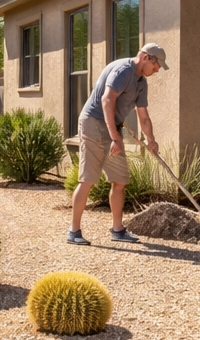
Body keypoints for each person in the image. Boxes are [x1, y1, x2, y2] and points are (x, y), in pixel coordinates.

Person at [68, 43, 168, 245]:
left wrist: (151, 140)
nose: (157, 70)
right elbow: (107, 101)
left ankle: (117, 230)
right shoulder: (123, 71)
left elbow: (143, 116)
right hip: (94, 123)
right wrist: (115, 138)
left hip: (112, 128)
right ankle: (74, 231)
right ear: (146, 58)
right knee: (88, 180)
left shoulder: (141, 82)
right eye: (156, 65)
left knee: (120, 180)